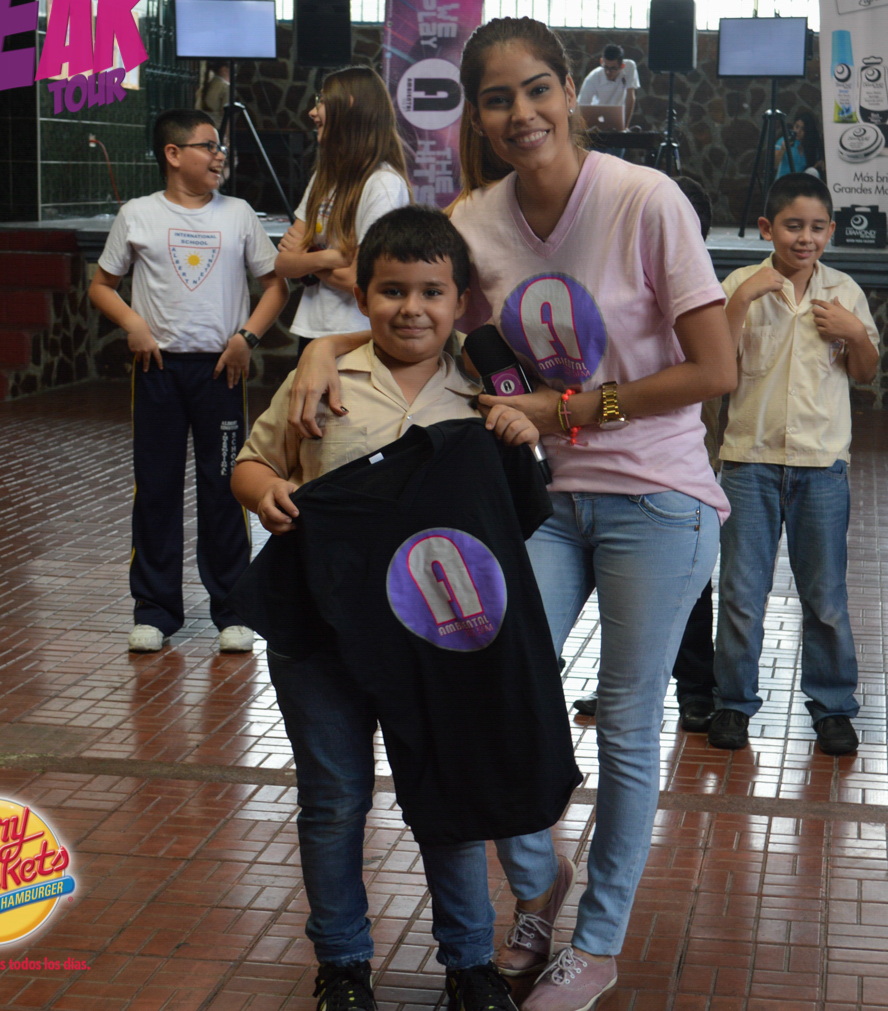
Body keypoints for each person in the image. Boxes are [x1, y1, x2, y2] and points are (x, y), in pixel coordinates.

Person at [287, 17, 737, 1011]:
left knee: (625, 719)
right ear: (478, 116)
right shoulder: (475, 219)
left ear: (570, 92)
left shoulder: (644, 200)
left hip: (658, 497)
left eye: (537, 90)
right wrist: (325, 347)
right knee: (476, 674)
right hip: (542, 502)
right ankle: (539, 880)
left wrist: (566, 412)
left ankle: (597, 943)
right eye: (498, 99)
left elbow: (715, 370)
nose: (521, 113)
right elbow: (424, 317)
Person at [232, 205, 553, 1011]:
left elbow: (544, 474)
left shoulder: (485, 388)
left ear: (460, 301)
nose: (412, 308)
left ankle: (470, 963)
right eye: (392, 291)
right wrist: (267, 492)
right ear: (363, 296)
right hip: (323, 630)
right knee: (334, 798)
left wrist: (524, 433)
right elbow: (250, 462)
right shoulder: (324, 375)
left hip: (440, 638)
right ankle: (342, 963)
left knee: (449, 790)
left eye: (431, 293)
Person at [88, 109, 287, 655]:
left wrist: (247, 337)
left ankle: (232, 610)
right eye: (208, 145)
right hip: (157, 372)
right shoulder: (138, 215)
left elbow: (275, 286)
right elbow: (102, 285)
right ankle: (154, 611)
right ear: (173, 155)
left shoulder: (238, 214)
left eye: (220, 147)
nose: (219, 155)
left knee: (225, 488)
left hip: (221, 372)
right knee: (155, 488)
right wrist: (133, 325)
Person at [707, 173, 880, 756]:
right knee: (740, 594)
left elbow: (865, 372)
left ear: (830, 231)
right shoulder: (740, 285)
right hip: (748, 462)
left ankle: (832, 707)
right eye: (792, 226)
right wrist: (740, 303)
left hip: (821, 464)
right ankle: (733, 704)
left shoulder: (845, 292)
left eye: (817, 227)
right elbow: (718, 369)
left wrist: (855, 335)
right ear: (767, 228)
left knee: (825, 598)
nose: (805, 238)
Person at [572, 173, 720, 733]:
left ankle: (696, 688)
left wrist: (585, 409)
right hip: (585, 476)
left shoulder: (696, 289)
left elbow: (714, 370)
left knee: (685, 589)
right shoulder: (607, 279)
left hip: (668, 478)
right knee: (620, 603)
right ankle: (620, 678)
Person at [275, 67, 412, 356]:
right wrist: (332, 257)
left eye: (322, 101)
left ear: (349, 105)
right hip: (312, 329)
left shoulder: (382, 184)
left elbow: (358, 280)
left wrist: (308, 259)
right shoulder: (324, 177)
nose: (312, 112)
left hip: (356, 335)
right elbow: (283, 264)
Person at [577, 43, 640, 128]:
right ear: (601, 62)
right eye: (606, 67)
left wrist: (625, 128)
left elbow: (630, 97)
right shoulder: (592, 78)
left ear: (622, 66)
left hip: (619, 120)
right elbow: (581, 107)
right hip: (597, 122)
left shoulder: (629, 67)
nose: (608, 72)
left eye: (613, 68)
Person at [773, 110, 824, 181]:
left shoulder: (809, 146)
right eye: (797, 127)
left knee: (813, 172)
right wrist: (782, 149)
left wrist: (817, 165)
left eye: (803, 129)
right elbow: (773, 165)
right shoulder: (784, 140)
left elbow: (808, 172)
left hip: (799, 184)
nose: (798, 131)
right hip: (783, 183)